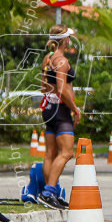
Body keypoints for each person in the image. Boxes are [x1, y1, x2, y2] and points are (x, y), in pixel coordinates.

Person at [37, 25, 82, 210]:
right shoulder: (62, 62)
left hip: (48, 107)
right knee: (67, 152)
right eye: (69, 38)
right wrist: (75, 109)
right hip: (61, 109)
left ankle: (50, 194)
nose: (70, 40)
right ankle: (48, 192)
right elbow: (63, 90)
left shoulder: (48, 59)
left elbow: (43, 87)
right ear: (65, 40)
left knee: (50, 153)